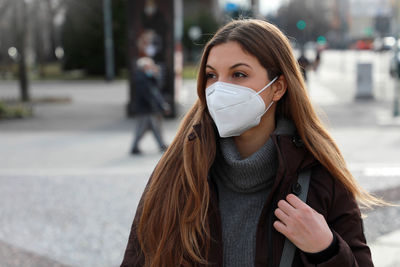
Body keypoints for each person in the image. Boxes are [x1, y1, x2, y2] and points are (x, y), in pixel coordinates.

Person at [121, 19, 382, 266]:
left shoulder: (321, 177)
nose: (219, 89)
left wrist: (326, 249)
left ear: (278, 87)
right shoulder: (176, 172)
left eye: (238, 74)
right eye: (211, 76)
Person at [130, 57, 170, 155]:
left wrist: (155, 75)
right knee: (144, 128)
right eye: (149, 66)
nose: (151, 68)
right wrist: (159, 106)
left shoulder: (146, 77)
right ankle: (135, 147)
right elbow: (149, 94)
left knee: (153, 127)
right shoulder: (141, 78)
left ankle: (161, 145)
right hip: (146, 108)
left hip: (149, 108)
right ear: (144, 67)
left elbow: (157, 87)